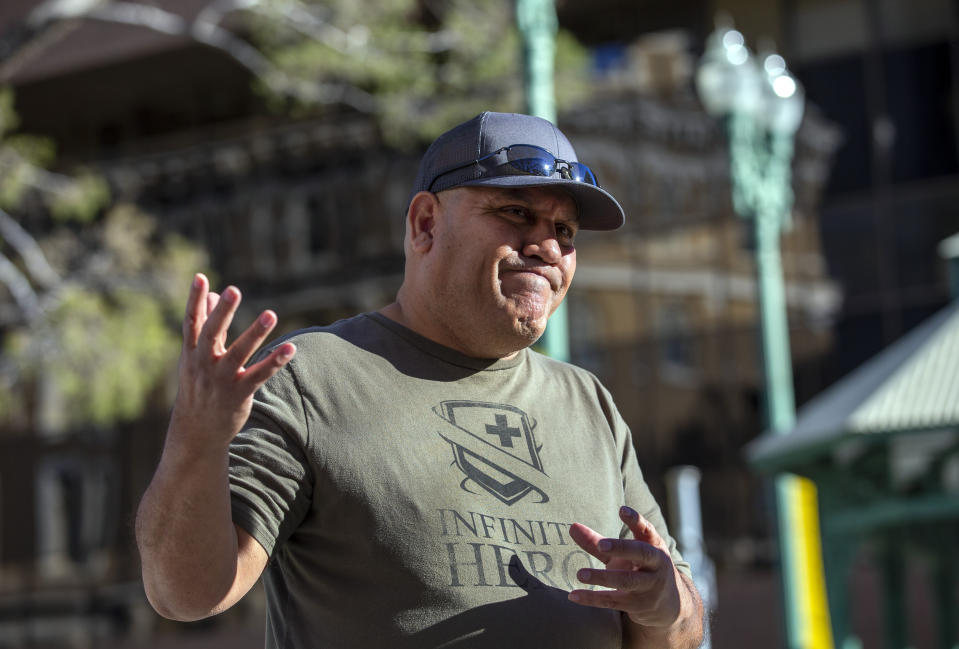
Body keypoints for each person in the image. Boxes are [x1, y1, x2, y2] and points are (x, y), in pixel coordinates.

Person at [136, 111, 704, 648]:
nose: (548, 248)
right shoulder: (309, 377)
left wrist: (662, 604)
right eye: (515, 214)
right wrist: (197, 438)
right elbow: (184, 593)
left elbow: (681, 627)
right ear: (426, 223)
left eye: (565, 230)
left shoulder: (590, 402)